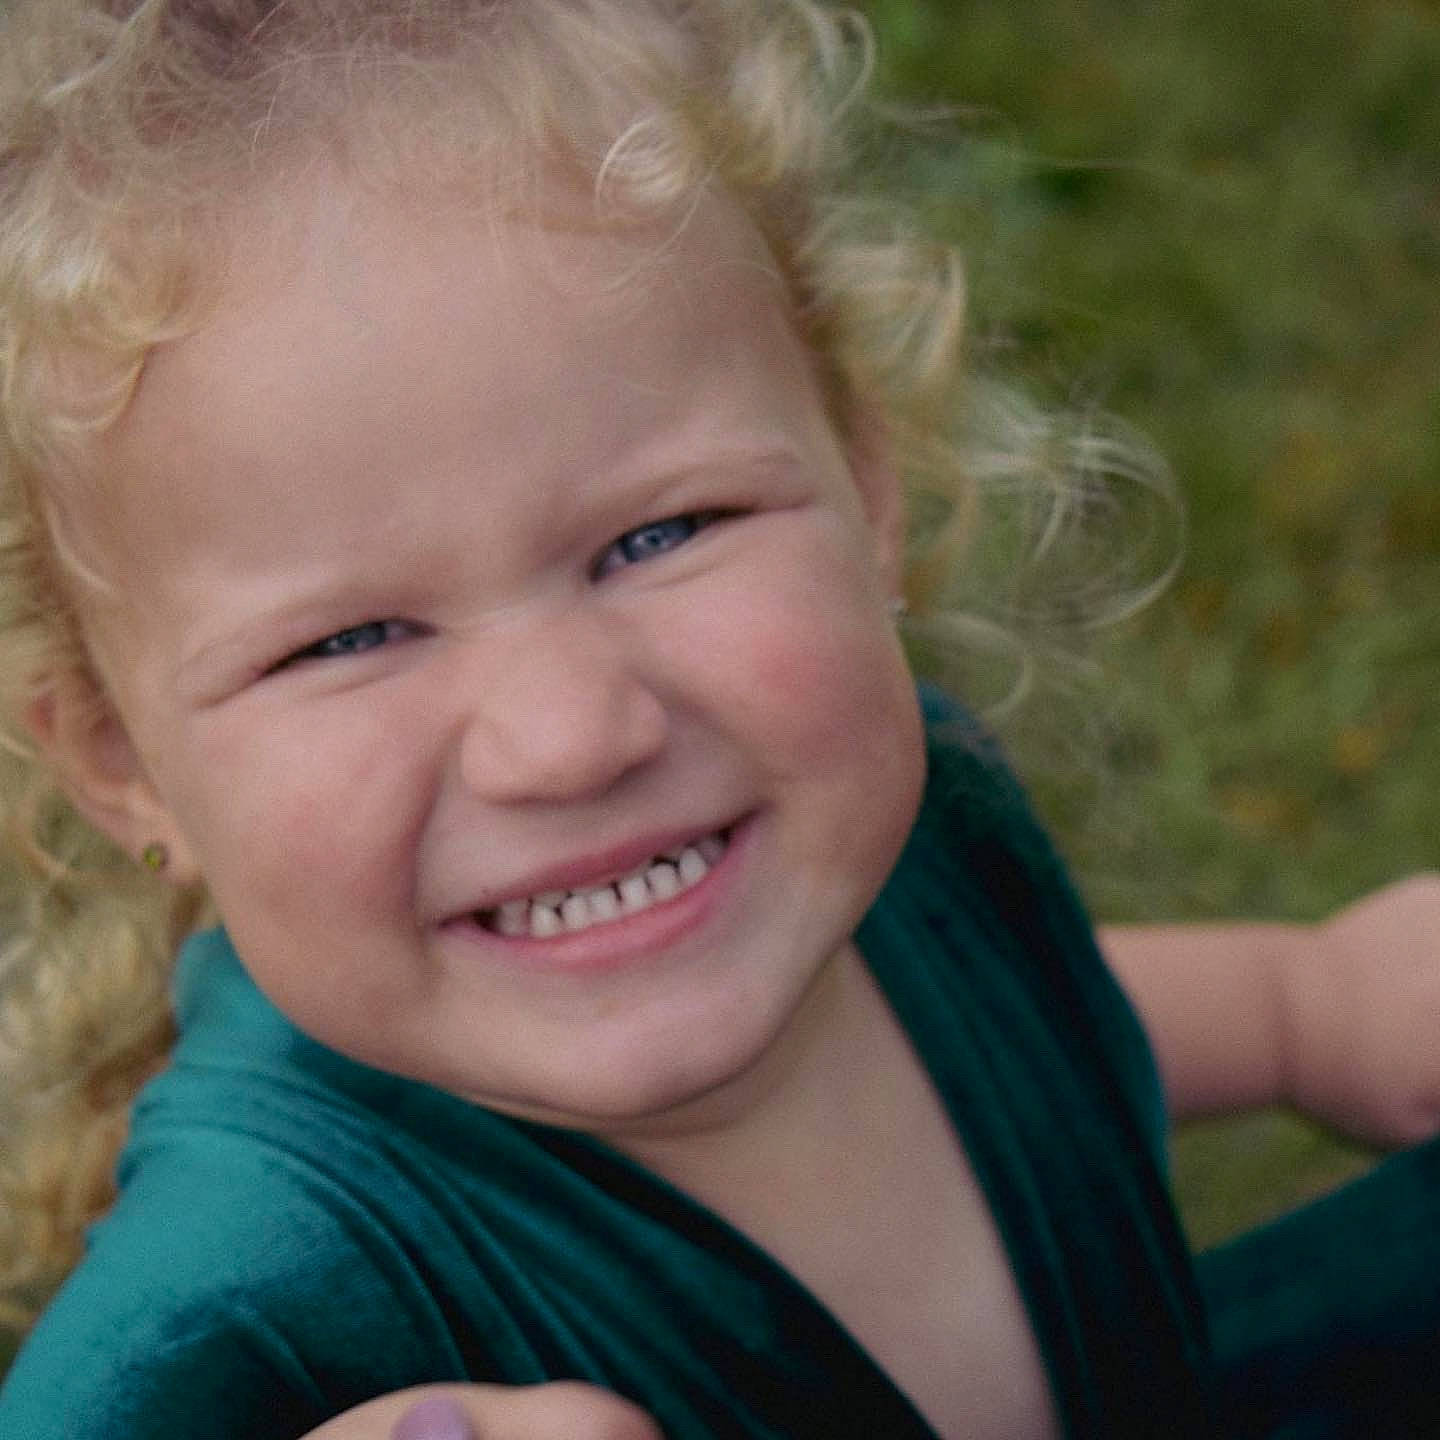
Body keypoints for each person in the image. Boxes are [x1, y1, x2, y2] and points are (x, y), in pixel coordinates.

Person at [0, 2, 1435, 1437]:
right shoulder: (252, 1290)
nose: (570, 735)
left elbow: (1011, 1019)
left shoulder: (899, 823)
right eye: (349, 639)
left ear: (867, 482)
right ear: (122, 761)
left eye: (662, 533)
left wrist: (1296, 1009)